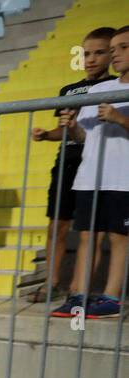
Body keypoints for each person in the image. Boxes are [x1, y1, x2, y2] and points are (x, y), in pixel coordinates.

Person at [32, 28, 115, 303]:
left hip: (97, 163)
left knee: (91, 230)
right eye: (86, 53)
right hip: (66, 162)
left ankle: (81, 289)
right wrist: (47, 135)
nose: (90, 59)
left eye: (99, 52)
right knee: (57, 225)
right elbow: (64, 130)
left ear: (112, 53)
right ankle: (52, 283)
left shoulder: (116, 87)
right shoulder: (68, 90)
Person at [53, 25, 129, 320]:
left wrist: (119, 118)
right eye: (113, 49)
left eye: (124, 47)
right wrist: (71, 127)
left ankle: (111, 297)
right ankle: (79, 297)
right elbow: (85, 138)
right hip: (90, 177)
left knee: (119, 238)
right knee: (87, 237)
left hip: (123, 178)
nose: (115, 54)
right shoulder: (97, 90)